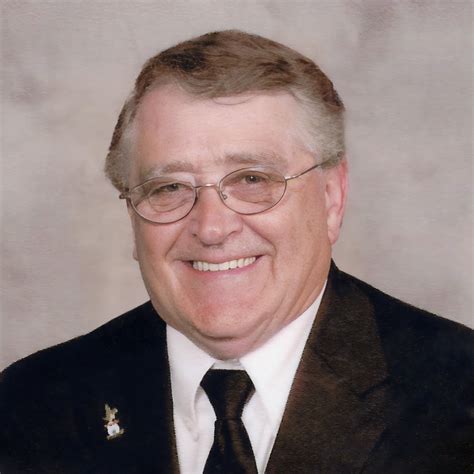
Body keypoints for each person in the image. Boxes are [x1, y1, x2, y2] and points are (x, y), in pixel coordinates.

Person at [0, 30, 472, 474]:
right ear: (132, 214)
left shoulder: (457, 395)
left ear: (331, 198)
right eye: (169, 187)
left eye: (252, 180)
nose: (211, 228)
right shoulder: (31, 404)